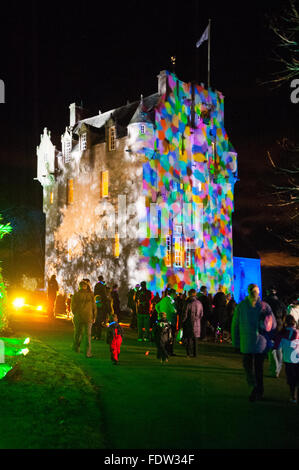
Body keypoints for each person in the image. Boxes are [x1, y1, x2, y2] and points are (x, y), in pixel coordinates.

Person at [231, 283, 277, 402]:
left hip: (246, 342)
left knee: (248, 367)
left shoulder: (241, 306)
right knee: (258, 368)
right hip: (261, 342)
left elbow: (235, 326)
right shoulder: (264, 306)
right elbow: (273, 324)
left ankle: (254, 387)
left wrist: (235, 342)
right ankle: (258, 390)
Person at [273, 315, 299, 403]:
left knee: (291, 380)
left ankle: (293, 396)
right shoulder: (298, 332)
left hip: (289, 360)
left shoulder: (281, 334)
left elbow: (276, 347)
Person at [71, 280, 97, 358]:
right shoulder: (91, 295)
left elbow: (73, 306)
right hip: (88, 317)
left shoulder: (76, 295)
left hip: (79, 316)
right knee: (87, 335)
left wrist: (75, 313)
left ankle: (76, 347)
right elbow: (94, 307)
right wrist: (94, 316)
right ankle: (87, 353)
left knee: (78, 333)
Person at [264, 286, 286, 378]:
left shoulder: (265, 301)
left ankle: (274, 369)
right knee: (278, 347)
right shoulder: (280, 302)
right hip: (280, 325)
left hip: (269, 325)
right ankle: (278, 369)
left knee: (271, 348)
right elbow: (285, 314)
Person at [181, 289, 203, 358]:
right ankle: (195, 353)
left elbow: (185, 314)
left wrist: (183, 321)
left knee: (189, 339)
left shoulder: (188, 302)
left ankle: (188, 353)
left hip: (189, 323)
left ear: (190, 294)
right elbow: (201, 314)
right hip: (197, 323)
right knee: (195, 339)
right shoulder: (199, 303)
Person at [155, 289, 177, 355]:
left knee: (164, 336)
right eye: (175, 293)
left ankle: (164, 350)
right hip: (170, 320)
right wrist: (176, 311)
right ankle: (170, 351)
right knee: (170, 337)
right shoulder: (171, 301)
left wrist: (159, 313)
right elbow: (173, 310)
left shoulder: (164, 299)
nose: (176, 295)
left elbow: (156, 306)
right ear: (172, 294)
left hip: (163, 320)